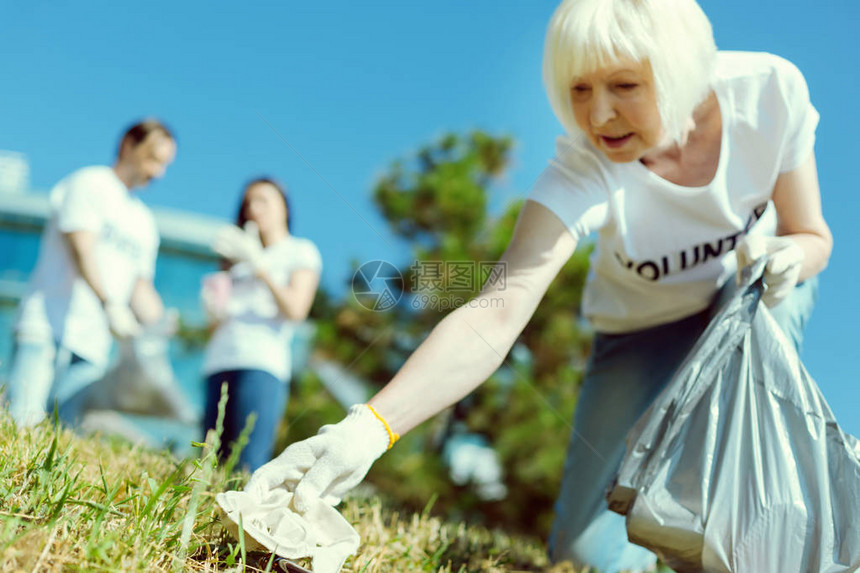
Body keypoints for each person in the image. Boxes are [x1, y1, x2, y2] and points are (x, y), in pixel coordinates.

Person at [243, 0, 832, 571]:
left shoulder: (769, 93)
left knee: (767, 311)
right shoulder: (584, 167)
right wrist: (369, 428)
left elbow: (813, 236)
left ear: (677, 70)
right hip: (639, 329)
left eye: (624, 86)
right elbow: (495, 312)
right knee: (584, 559)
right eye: (580, 89)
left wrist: (790, 256)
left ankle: (748, 531)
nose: (598, 116)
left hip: (747, 307)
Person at [5, 119, 176, 428]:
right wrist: (110, 304)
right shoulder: (89, 184)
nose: (157, 173)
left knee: (62, 437)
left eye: (164, 165)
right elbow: (81, 249)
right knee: (21, 424)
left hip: (92, 346)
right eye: (153, 159)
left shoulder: (144, 223)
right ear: (128, 145)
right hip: (46, 327)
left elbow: (139, 287)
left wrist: (159, 324)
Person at [202, 178, 322, 473]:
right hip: (220, 360)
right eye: (248, 203)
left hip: (261, 362)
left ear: (284, 206)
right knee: (207, 459)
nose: (254, 209)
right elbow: (216, 324)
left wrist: (261, 267)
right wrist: (213, 310)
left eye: (263, 200)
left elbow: (296, 309)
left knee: (247, 460)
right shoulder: (236, 259)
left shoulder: (299, 251)